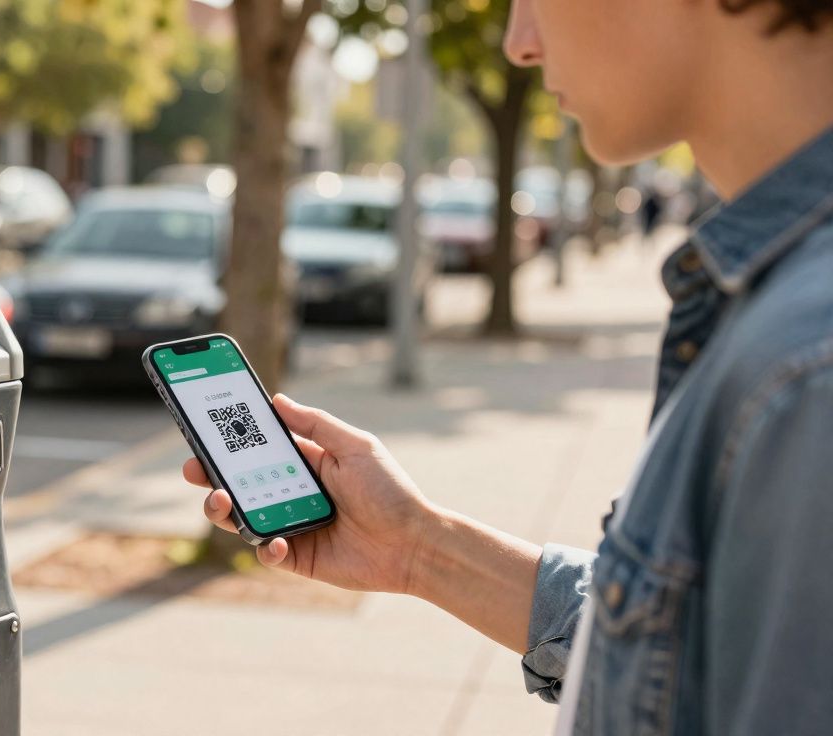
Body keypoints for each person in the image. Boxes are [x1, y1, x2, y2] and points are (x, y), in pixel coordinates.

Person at [182, 1, 833, 733]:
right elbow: (689, 651)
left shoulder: (807, 367)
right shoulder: (779, 321)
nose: (521, 43)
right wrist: (417, 548)